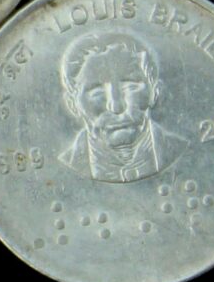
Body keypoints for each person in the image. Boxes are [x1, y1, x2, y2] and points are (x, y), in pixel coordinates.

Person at [56, 31, 187, 184]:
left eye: (131, 86)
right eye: (97, 92)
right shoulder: (65, 166)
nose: (116, 106)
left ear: (154, 93)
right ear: (73, 104)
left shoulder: (179, 150)